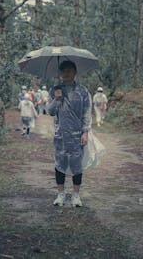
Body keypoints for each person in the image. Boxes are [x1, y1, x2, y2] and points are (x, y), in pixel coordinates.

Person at [46, 60, 92, 207]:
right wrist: (56, 100)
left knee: (76, 165)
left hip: (77, 134)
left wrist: (85, 132)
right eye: (64, 70)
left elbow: (86, 113)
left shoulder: (83, 91)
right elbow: (50, 111)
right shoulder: (55, 90)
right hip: (61, 135)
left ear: (74, 72)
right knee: (60, 163)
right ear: (60, 73)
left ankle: (76, 195)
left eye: (69, 70)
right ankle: (61, 194)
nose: (66, 73)